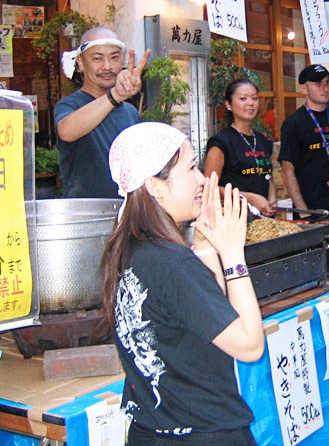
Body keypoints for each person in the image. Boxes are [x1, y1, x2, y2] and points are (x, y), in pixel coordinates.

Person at [100, 122, 264, 445]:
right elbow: (249, 344)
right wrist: (233, 255)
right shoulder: (171, 262)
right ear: (155, 186)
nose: (202, 178)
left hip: (151, 432)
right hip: (203, 434)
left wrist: (205, 243)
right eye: (190, 168)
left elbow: (210, 318)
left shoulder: (130, 249)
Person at [54, 26, 151, 198]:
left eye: (114, 58)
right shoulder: (70, 105)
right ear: (81, 63)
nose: (107, 67)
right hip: (86, 216)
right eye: (97, 58)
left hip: (125, 214)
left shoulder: (130, 112)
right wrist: (115, 96)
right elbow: (66, 131)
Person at [279, 64, 329, 212]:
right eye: (318, 84)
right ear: (304, 89)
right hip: (311, 207)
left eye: (327, 82)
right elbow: (287, 171)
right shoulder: (294, 123)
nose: (325, 88)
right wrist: (304, 212)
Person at [204, 79, 276, 216]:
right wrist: (250, 198)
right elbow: (209, 187)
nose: (250, 103)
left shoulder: (263, 140)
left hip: (264, 222)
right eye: (243, 99)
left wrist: (271, 198)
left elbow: (266, 174)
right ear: (228, 105)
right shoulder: (221, 142)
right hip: (233, 220)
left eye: (254, 98)